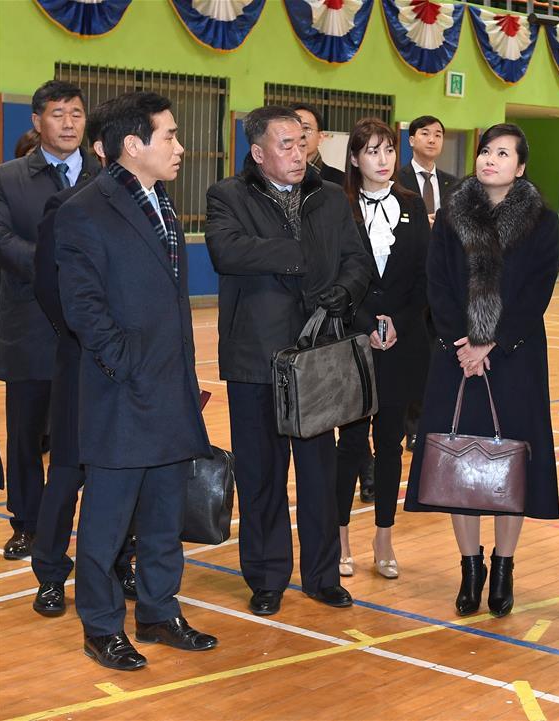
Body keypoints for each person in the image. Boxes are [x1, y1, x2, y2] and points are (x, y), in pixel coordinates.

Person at [55, 91, 216, 670]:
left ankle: (157, 610)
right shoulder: (84, 210)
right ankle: (101, 626)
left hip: (169, 391)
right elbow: (83, 306)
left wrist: (173, 373)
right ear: (133, 145)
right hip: (121, 392)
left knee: (164, 516)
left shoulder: (160, 200)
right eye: (170, 135)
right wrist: (126, 365)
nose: (180, 145)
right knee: (105, 523)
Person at [205, 106, 372, 616]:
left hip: (318, 356)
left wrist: (344, 291)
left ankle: (322, 576)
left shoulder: (328, 198)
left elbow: (357, 258)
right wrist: (302, 257)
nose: (298, 154)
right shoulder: (227, 196)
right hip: (256, 359)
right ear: (258, 153)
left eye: (302, 143)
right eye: (285, 145)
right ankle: (267, 577)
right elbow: (228, 252)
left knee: (320, 475)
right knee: (261, 475)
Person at [404, 123, 559, 618]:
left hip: (513, 355)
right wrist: (464, 342)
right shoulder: (452, 215)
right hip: (457, 356)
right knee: (458, 462)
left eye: (502, 153)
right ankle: (470, 568)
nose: (490, 159)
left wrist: (492, 340)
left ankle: (504, 567)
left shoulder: (542, 220)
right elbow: (437, 282)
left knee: (510, 462)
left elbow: (538, 290)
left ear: (521, 165)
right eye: (485, 151)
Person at [30, 98, 137, 617]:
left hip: (131, 363)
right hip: (80, 359)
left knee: (125, 470)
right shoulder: (69, 206)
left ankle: (120, 563)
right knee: (68, 472)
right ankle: (51, 573)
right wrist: (85, 335)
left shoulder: (144, 205)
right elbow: (50, 287)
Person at [0, 79, 100, 560]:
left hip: (93, 332)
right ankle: (28, 523)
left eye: (76, 113)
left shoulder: (106, 176)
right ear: (37, 122)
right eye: (57, 113)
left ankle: (98, 526)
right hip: (31, 326)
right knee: (25, 433)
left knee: (87, 433)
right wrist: (53, 265)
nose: (68, 122)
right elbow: (1, 239)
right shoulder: (9, 177)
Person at [335, 118, 430, 580]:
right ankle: (340, 537)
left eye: (389, 150)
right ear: (354, 158)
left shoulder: (413, 206)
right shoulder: (338, 207)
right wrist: (366, 323)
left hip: (401, 344)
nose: (382, 159)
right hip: (354, 342)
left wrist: (398, 324)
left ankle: (384, 537)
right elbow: (332, 278)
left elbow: (423, 280)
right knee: (351, 443)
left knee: (390, 443)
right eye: (371, 151)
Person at [292, 101, 374, 501]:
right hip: (289, 324)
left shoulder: (339, 184)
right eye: (292, 129)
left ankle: (362, 468)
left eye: (307, 128)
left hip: (338, 316)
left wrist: (342, 292)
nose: (300, 137)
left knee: (346, 406)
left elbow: (353, 254)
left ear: (320, 136)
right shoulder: (253, 185)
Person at [396, 115, 458, 452]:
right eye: (425, 133)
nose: (432, 139)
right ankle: (405, 424)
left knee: (437, 356)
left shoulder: (454, 184)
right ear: (411, 139)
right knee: (409, 357)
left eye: (438, 134)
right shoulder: (396, 179)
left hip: (443, 281)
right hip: (407, 281)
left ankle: (427, 423)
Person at [291, 102, 345, 185]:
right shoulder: (274, 177)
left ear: (320, 137)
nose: (300, 134)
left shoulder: (341, 180)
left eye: (306, 128)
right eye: (294, 128)